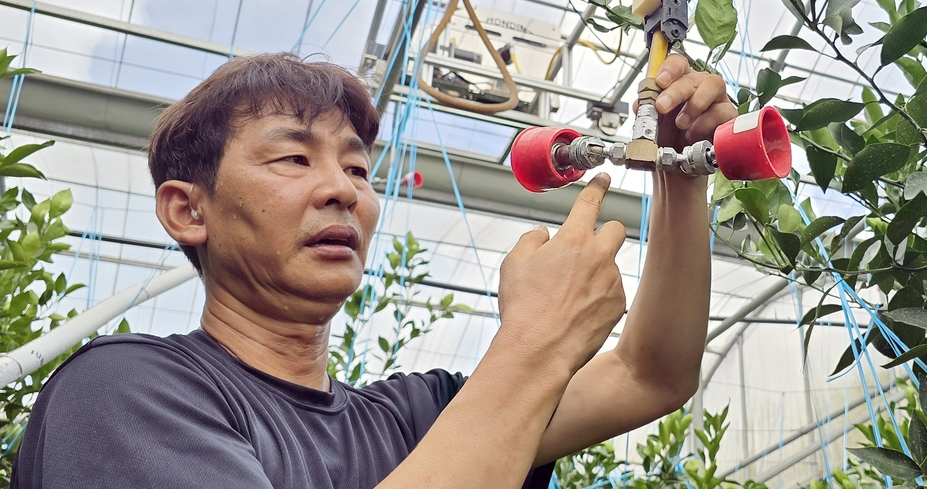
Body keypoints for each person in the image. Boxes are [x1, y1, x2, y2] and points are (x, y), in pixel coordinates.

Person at [14, 51, 737, 488]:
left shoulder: (415, 420)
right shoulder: (121, 393)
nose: (344, 189)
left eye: (357, 166)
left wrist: (681, 176)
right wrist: (538, 340)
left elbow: (651, 373)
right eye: (293, 157)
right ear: (187, 210)